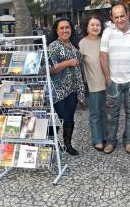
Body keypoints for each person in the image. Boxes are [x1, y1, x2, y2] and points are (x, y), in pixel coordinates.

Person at [100, 2, 130, 154]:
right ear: (112, 18)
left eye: (122, 16)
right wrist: (107, 78)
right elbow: (103, 56)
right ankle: (111, 141)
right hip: (114, 81)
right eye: (116, 17)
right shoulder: (108, 33)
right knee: (112, 115)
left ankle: (129, 141)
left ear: (128, 15)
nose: (119, 19)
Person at [48, 17, 85, 156]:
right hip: (58, 90)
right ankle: (51, 142)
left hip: (73, 89)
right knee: (59, 117)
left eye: (67, 27)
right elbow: (49, 69)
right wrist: (68, 62)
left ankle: (68, 144)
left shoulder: (74, 45)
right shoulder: (53, 46)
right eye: (62, 28)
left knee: (69, 117)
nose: (65, 30)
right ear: (57, 31)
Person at [79, 15, 107, 152]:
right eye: (92, 25)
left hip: (108, 82)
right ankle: (97, 139)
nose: (95, 27)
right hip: (93, 83)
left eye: (98, 25)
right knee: (95, 113)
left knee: (105, 112)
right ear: (87, 27)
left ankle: (106, 137)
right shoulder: (82, 43)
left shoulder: (105, 41)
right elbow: (79, 65)